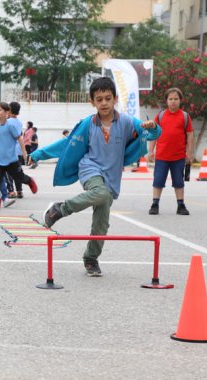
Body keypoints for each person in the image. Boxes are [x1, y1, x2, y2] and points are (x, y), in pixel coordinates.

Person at [30, 77, 161, 277]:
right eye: (99, 99)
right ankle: (59, 209)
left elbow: (149, 136)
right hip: (89, 168)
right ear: (92, 102)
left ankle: (91, 258)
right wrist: (39, 154)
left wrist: (153, 128)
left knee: (101, 222)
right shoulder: (87, 124)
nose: (104, 103)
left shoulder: (126, 122)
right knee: (99, 193)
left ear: (115, 99)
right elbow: (66, 144)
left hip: (111, 175)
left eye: (108, 98)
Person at [0, 102, 38, 211]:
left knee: (19, 177)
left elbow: (19, 139)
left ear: (6, 113)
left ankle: (30, 181)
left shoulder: (10, 125)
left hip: (11, 159)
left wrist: (24, 153)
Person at [147, 87, 194, 216]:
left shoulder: (185, 116)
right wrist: (151, 151)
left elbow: (190, 134)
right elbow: (154, 133)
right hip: (162, 156)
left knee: (179, 182)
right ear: (166, 101)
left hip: (178, 157)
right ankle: (155, 204)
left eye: (176, 99)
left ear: (180, 101)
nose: (173, 101)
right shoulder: (161, 116)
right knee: (158, 181)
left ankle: (181, 205)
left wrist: (189, 153)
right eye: (170, 99)